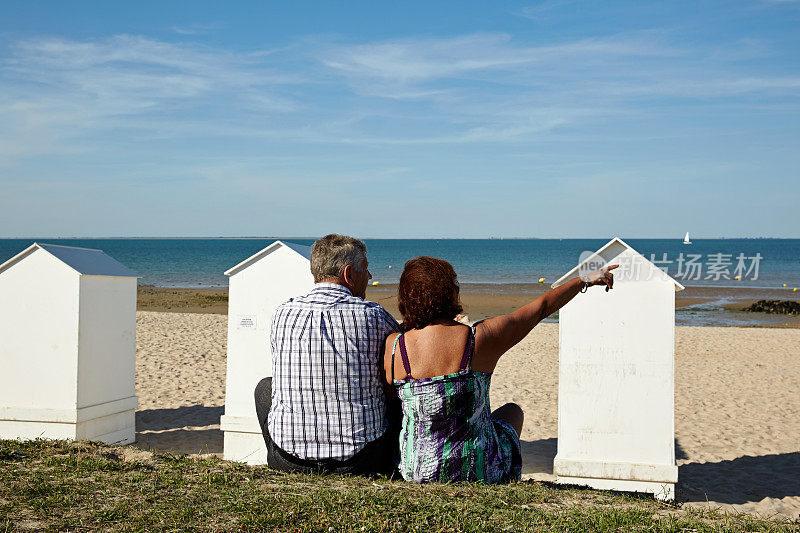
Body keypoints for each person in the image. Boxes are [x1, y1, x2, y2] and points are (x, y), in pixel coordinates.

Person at [382, 256, 617, 483]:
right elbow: (542, 308)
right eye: (456, 283)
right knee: (513, 412)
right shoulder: (480, 338)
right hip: (479, 472)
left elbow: (393, 405)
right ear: (450, 293)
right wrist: (584, 280)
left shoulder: (394, 347)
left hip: (418, 471)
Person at [254, 234, 402, 476]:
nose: (370, 276)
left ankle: (281, 458)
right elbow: (401, 353)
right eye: (365, 267)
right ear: (348, 274)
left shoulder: (283, 313)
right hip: (361, 461)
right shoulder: (373, 315)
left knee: (265, 388)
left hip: (289, 461)